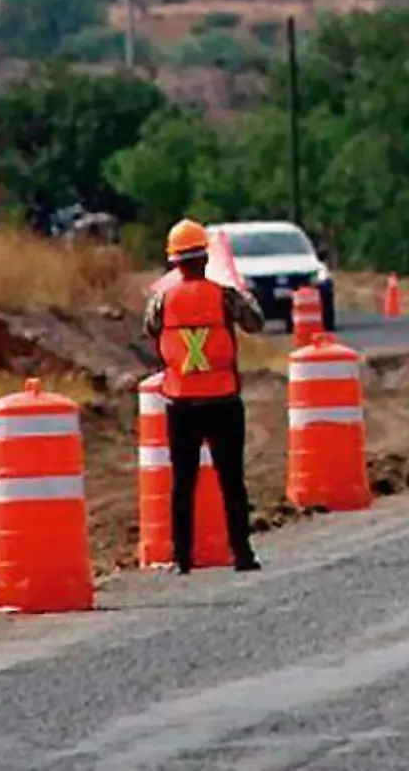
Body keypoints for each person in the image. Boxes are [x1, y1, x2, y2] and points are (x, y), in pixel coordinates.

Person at [142, 218, 267, 574]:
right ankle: (242, 554)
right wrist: (238, 290)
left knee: (183, 482)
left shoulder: (161, 300)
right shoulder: (223, 295)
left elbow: (149, 330)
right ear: (205, 258)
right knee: (232, 480)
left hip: (180, 402)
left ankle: (183, 557)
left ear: (174, 262)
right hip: (223, 400)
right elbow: (255, 322)